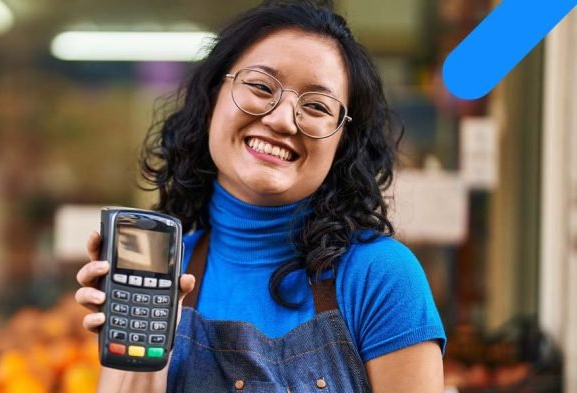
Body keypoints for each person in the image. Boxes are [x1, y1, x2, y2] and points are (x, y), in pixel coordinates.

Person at [75, 1, 446, 391]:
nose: (282, 119)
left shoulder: (380, 277)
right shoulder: (166, 267)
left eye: (317, 106)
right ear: (214, 97)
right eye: (261, 86)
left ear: (343, 142)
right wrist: (134, 346)